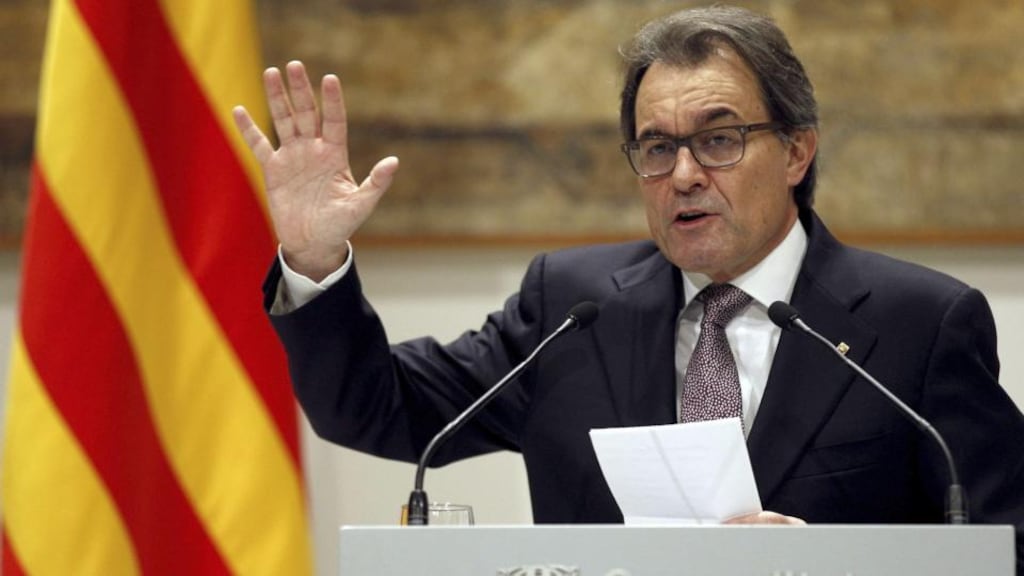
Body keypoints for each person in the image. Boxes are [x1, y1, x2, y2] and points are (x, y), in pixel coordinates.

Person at [233, 3, 1024, 568]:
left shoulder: (919, 323)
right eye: (655, 146)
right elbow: (378, 411)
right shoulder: (571, 307)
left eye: (719, 140)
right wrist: (312, 259)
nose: (682, 175)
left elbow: (1004, 544)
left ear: (796, 152)